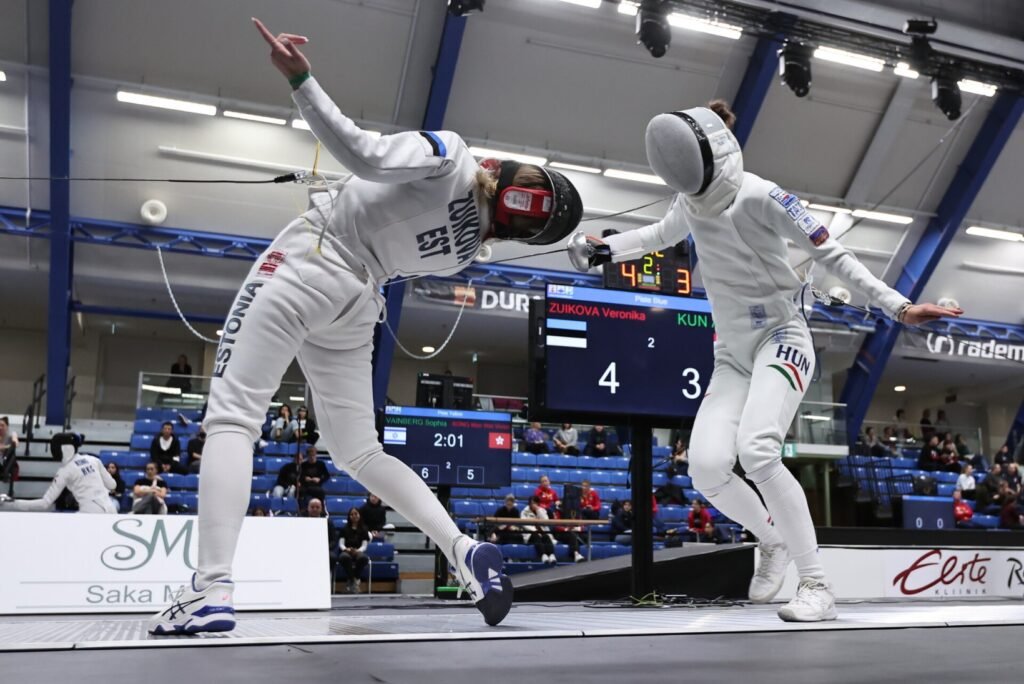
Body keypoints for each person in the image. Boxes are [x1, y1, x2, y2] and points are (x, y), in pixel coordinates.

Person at [149, 17, 582, 635]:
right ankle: (461, 549)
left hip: (307, 263)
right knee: (358, 448)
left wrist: (301, 80)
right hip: (356, 301)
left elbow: (365, 154)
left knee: (233, 417)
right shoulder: (468, 251)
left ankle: (209, 588)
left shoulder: (454, 155)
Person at [567, 100, 962, 622]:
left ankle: (816, 585)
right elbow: (658, 235)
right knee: (706, 467)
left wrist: (900, 306)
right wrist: (608, 249)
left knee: (757, 450)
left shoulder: (764, 196)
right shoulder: (690, 200)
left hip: (783, 337)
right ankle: (770, 541)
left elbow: (832, 255)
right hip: (731, 354)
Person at [0, 433, 117, 514]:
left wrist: (13, 504)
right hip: (111, 510)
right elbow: (112, 485)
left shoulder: (65, 471)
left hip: (90, 513)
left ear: (63, 449)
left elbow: (45, 503)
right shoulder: (93, 459)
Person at [338, 507, 372, 593]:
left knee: (363, 558)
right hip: (347, 551)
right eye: (352, 514)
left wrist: (357, 551)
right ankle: (354, 581)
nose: (354, 516)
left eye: (356, 514)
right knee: (343, 558)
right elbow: (341, 543)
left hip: (358, 551)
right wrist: (346, 549)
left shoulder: (364, 529)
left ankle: (352, 579)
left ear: (359, 515)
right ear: (349, 516)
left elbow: (364, 545)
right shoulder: (344, 529)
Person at [521, 495, 556, 564]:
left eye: (535, 503)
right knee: (536, 536)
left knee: (546, 536)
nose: (534, 505)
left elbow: (546, 521)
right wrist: (535, 530)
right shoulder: (524, 512)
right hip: (530, 533)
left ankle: (551, 555)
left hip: (542, 531)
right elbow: (524, 524)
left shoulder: (542, 510)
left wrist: (538, 511)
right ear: (529, 504)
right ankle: (543, 555)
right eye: (532, 503)